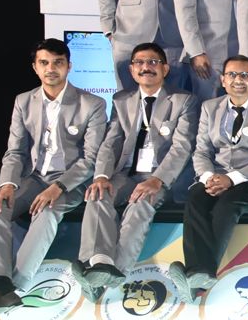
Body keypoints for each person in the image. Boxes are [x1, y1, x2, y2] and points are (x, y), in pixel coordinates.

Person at [0, 40, 109, 320]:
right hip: (34, 177)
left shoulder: (92, 104)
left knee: (46, 211)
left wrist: (59, 187)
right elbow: (15, 151)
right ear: (35, 67)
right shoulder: (23, 101)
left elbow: (91, 159)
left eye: (58, 63)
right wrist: (7, 185)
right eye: (44, 63)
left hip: (71, 181)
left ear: (69, 66)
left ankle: (15, 288)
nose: (51, 69)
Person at [77, 42, 199, 298]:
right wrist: (101, 176)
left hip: (161, 177)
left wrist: (157, 179)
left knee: (140, 203)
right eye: (139, 63)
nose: (146, 67)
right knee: (97, 194)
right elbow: (110, 142)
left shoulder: (183, 100)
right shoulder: (121, 100)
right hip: (126, 174)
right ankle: (100, 262)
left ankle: (111, 274)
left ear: (165, 69)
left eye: (153, 62)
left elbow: (182, 147)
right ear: (132, 70)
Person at [179, 55, 248, 294]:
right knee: (196, 197)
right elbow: (201, 150)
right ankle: (200, 273)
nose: (238, 80)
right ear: (223, 80)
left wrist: (231, 179)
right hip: (215, 176)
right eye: (232, 75)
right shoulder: (210, 107)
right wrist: (208, 177)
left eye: (245, 75)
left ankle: (199, 273)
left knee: (228, 204)